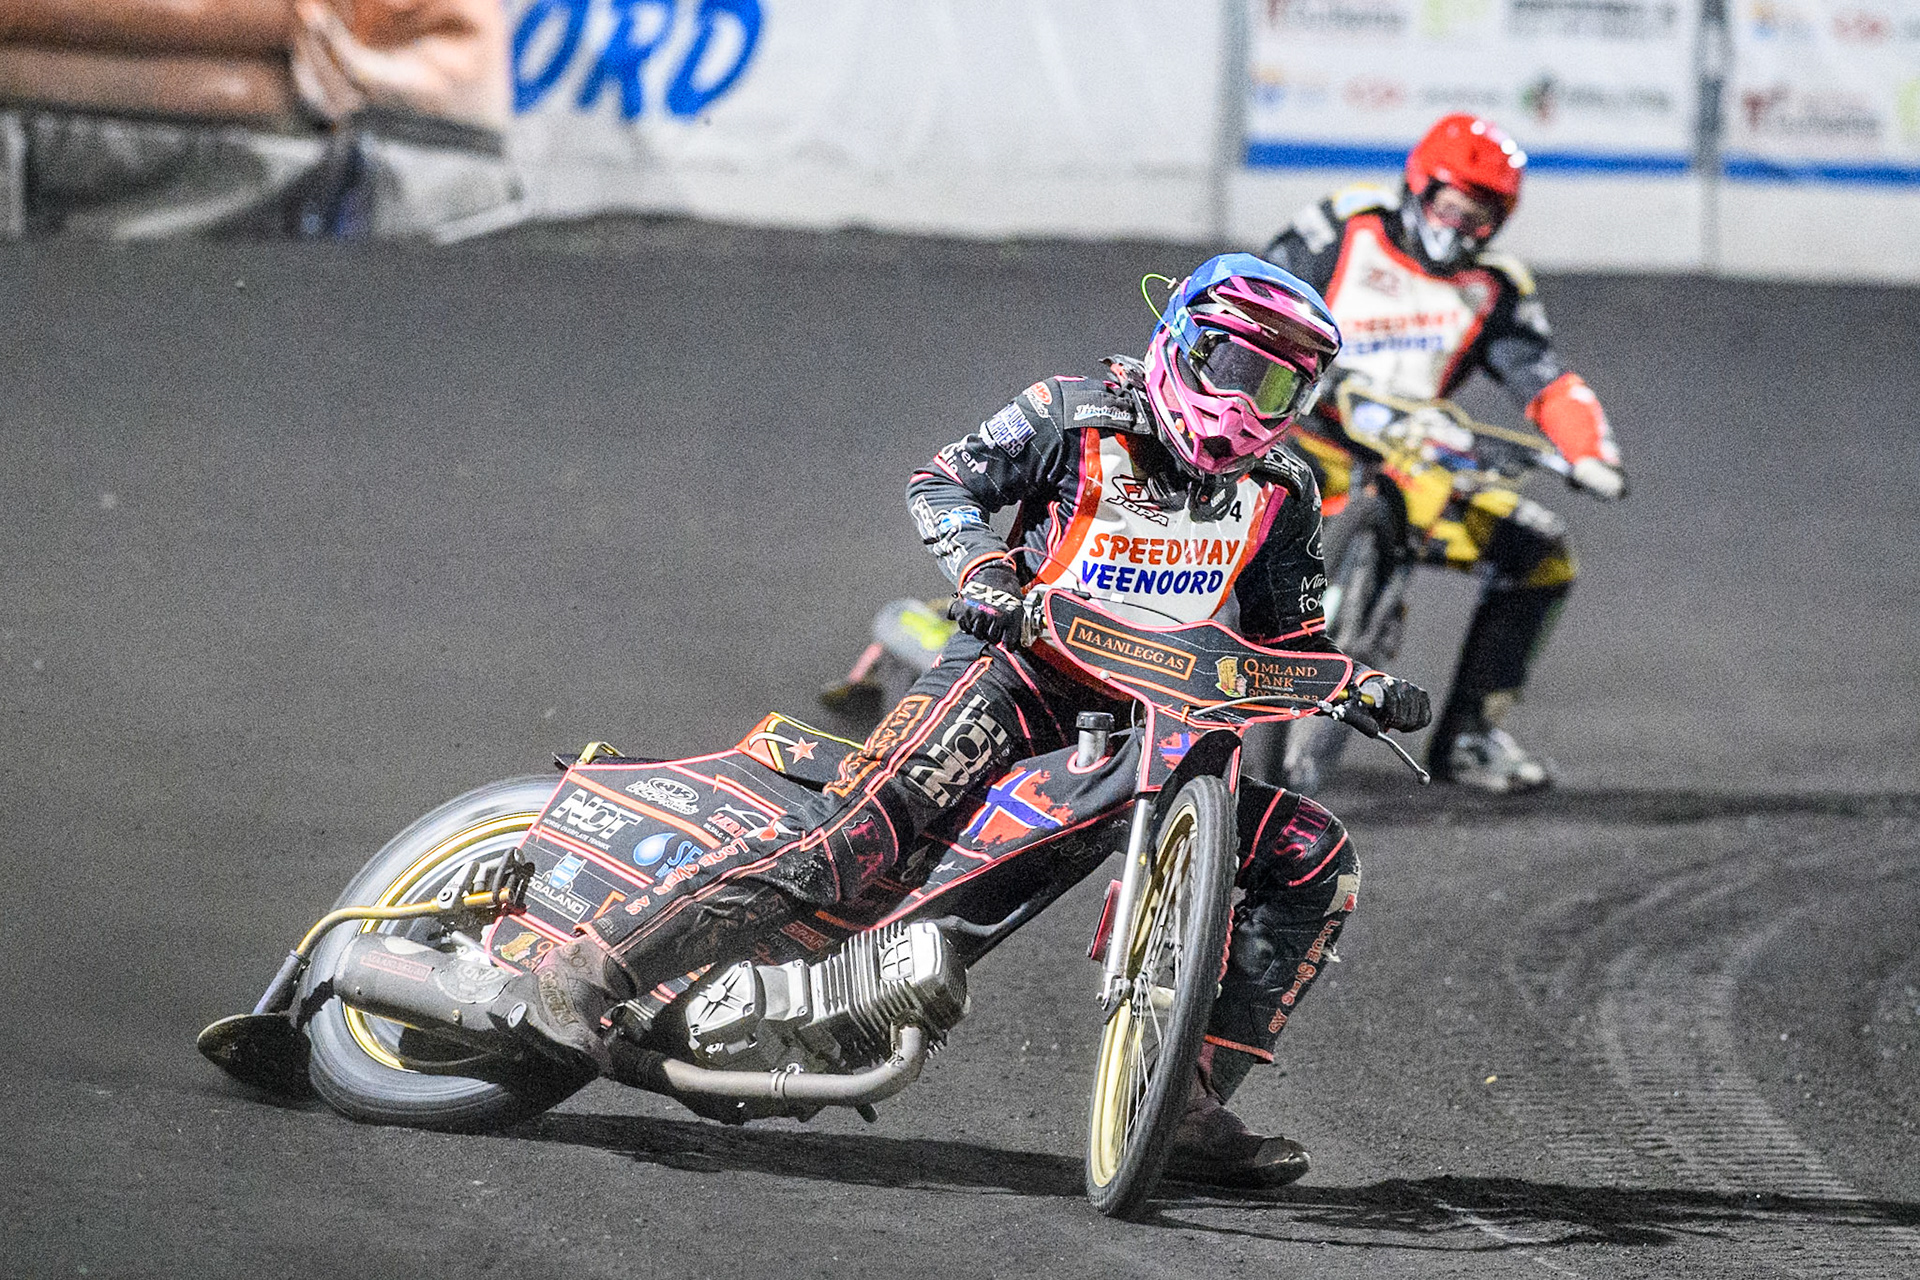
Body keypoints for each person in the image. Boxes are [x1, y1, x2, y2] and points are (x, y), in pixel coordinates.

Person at [352, 255, 1432, 1188]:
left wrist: (1356, 684)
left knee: (1313, 855)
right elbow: (943, 481)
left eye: (1276, 381)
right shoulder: (1071, 413)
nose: (1245, 400)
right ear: (1182, 345)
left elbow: (1292, 637)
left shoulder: (1284, 490)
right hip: (1018, 676)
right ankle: (590, 972)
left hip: (1157, 721)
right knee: (853, 839)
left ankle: (1185, 1101)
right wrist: (985, 572)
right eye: (1232, 365)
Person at [1261, 113, 1628, 793]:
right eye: (1453, 205)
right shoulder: (1343, 226)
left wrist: (1588, 451)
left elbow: (1544, 380)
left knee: (1542, 554)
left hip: (1412, 464)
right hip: (1297, 438)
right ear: (1420, 186)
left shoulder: (1496, 288)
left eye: (1481, 217)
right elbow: (1255, 296)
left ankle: (1468, 738)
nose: (1461, 227)